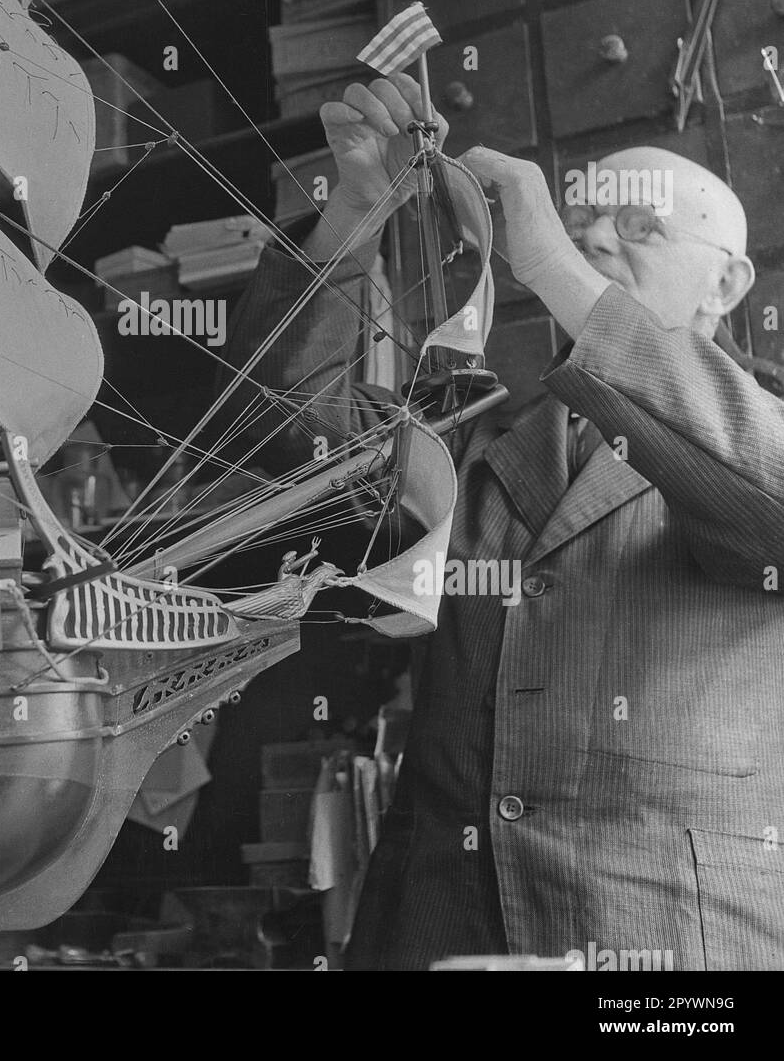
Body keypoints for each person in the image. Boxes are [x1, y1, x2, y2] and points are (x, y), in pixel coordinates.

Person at [221, 73, 784, 970]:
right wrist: (353, 218)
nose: (594, 233)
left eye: (635, 226)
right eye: (583, 220)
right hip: (438, 933)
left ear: (727, 280)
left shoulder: (769, 428)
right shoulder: (477, 436)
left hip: (673, 954)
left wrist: (558, 269)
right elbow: (270, 422)